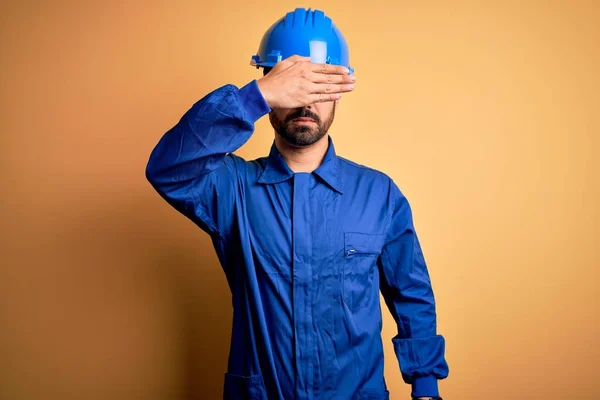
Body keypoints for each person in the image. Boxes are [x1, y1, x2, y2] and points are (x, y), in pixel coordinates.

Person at [146, 7, 449, 400]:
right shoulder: (232, 188)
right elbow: (169, 168)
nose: (307, 103)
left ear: (339, 90)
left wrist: (425, 386)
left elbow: (411, 293)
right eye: (296, 86)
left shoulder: (379, 195)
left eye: (320, 86)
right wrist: (255, 97)